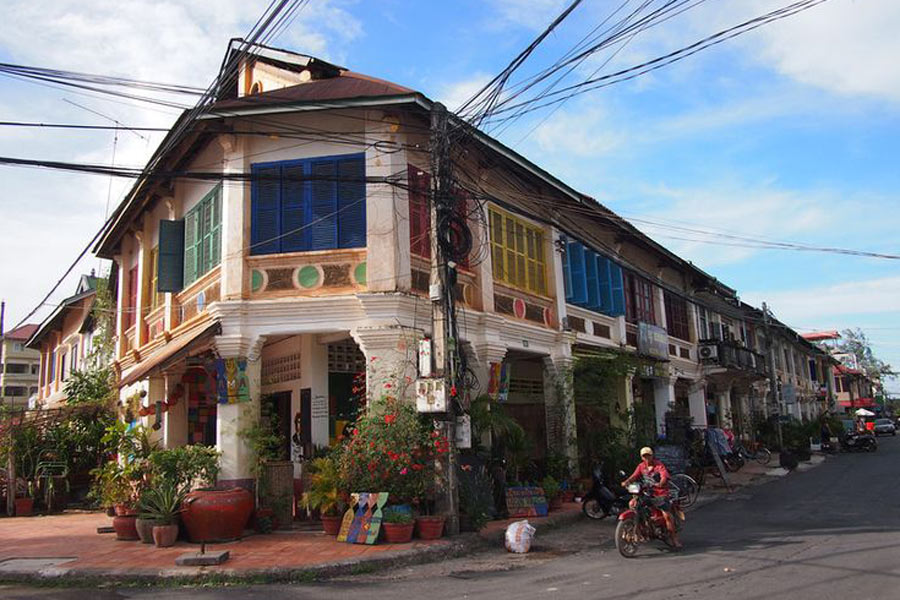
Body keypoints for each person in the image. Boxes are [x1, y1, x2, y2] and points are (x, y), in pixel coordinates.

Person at [621, 447, 682, 548]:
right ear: (641, 457)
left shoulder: (659, 465)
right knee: (633, 504)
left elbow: (664, 476)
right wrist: (627, 482)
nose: (647, 458)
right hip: (647, 493)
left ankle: (674, 538)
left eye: (648, 455)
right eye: (644, 456)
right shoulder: (641, 466)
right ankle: (640, 531)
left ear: (652, 456)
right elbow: (634, 476)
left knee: (667, 516)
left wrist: (660, 483)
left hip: (660, 493)